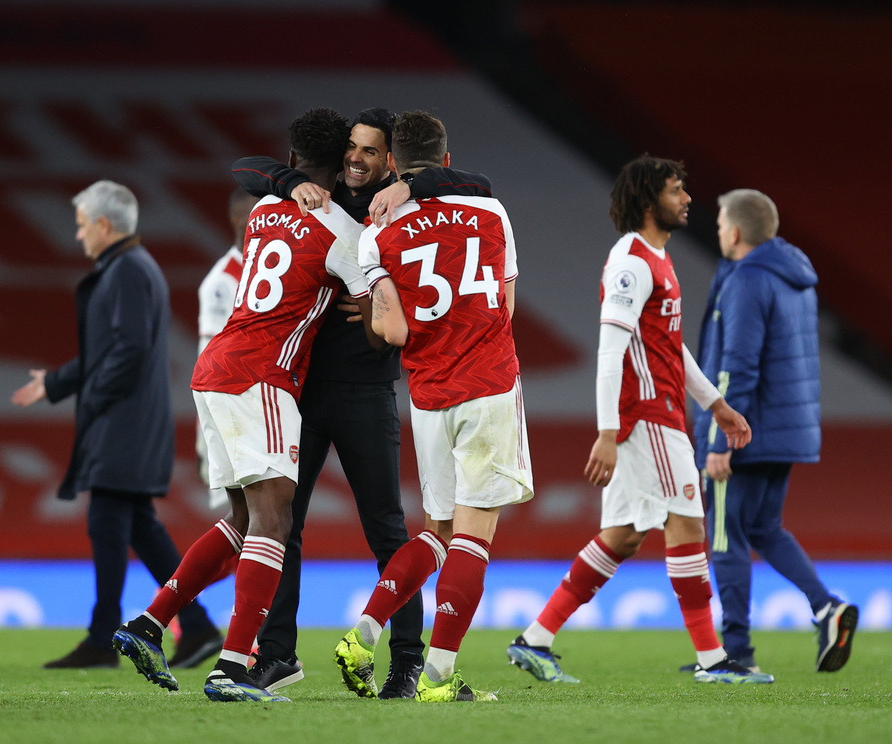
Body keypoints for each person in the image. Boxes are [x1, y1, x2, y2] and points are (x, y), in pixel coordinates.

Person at [231, 108, 493, 698]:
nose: (356, 158)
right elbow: (245, 168)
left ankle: (406, 664)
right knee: (284, 526)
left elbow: (477, 184)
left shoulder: (398, 207)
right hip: (301, 391)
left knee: (388, 529)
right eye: (352, 147)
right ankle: (276, 655)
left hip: (368, 392)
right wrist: (288, 181)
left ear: (390, 162)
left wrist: (410, 191)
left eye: (371, 151)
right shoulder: (319, 201)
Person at [113, 107, 368, 703]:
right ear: (341, 163)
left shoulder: (263, 208)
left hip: (215, 368)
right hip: (264, 377)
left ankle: (149, 623)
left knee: (245, 521)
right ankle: (232, 665)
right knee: (275, 521)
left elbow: (251, 171)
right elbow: (371, 313)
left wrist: (285, 180)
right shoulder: (344, 234)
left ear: (295, 158)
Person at [504, 155, 773, 685]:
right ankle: (713, 661)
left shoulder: (657, 258)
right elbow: (610, 351)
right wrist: (607, 432)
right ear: (649, 201)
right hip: (647, 417)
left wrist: (715, 404)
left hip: (657, 414)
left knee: (623, 536)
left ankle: (534, 640)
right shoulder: (631, 261)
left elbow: (668, 346)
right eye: (676, 190)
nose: (687, 199)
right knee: (687, 524)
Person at [333, 110, 531, 703]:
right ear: (446, 160)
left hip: (427, 396)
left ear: (393, 162)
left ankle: (364, 634)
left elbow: (392, 332)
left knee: (438, 533)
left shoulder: (377, 233)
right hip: (487, 385)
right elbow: (506, 305)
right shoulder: (491, 212)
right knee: (475, 535)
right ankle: (439, 676)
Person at [12, 180, 223, 671]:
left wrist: (94, 395)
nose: (78, 235)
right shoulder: (130, 267)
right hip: (132, 419)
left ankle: (102, 638)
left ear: (104, 225)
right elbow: (109, 352)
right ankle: (196, 626)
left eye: (82, 225)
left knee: (107, 520)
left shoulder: (126, 270)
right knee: (140, 528)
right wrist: (58, 382)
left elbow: (125, 350)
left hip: (124, 423)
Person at [691, 188, 857, 673]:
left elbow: (738, 365)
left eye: (720, 224)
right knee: (764, 527)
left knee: (726, 536)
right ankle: (827, 608)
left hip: (745, 429)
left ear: (735, 231)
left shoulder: (747, 279)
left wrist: (719, 440)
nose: (718, 231)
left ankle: (734, 651)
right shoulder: (794, 276)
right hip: (785, 426)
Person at [195, 189, 260, 511]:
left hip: (257, 409)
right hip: (230, 414)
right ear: (236, 219)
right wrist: (207, 428)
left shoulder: (264, 269)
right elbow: (210, 357)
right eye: (253, 215)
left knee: (263, 515)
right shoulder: (222, 282)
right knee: (238, 516)